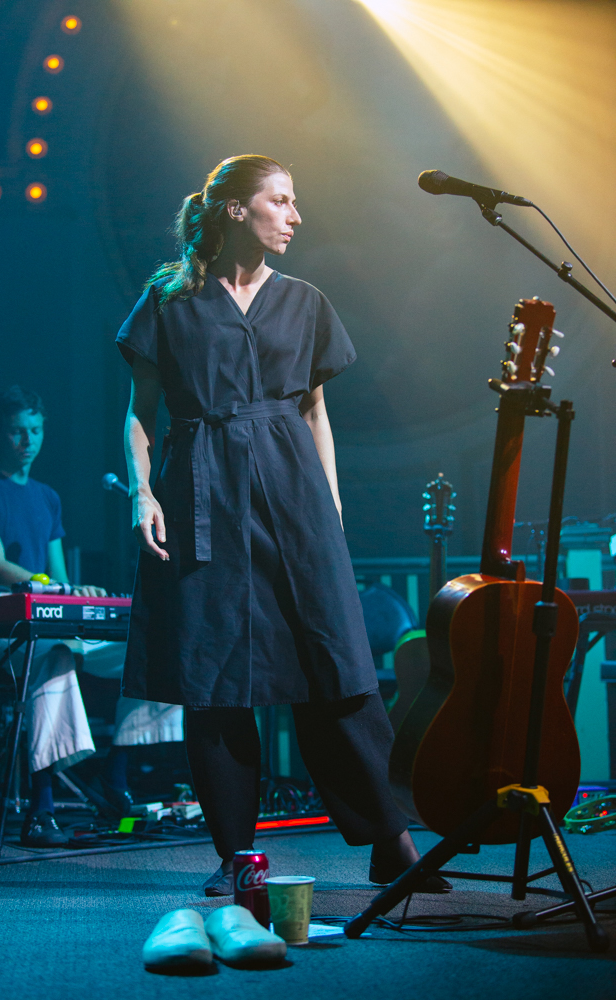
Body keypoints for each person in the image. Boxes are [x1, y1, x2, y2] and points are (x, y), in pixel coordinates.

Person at [118, 154, 450, 896]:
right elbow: (141, 412)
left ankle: (390, 841)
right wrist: (144, 493)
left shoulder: (305, 301)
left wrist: (329, 512)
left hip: (293, 493)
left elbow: (315, 413)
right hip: (203, 488)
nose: (295, 216)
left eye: (295, 202)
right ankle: (238, 855)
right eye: (281, 201)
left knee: (338, 669)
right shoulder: (169, 300)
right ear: (236, 209)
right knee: (217, 681)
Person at [0, 386, 183, 847]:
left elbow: (57, 580)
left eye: (35, 430)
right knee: (52, 652)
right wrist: (55, 587)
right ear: (0, 433)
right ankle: (43, 807)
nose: (28, 441)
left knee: (154, 647)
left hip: (41, 621)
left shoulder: (47, 497)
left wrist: (71, 591)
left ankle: (115, 775)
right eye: (18, 431)